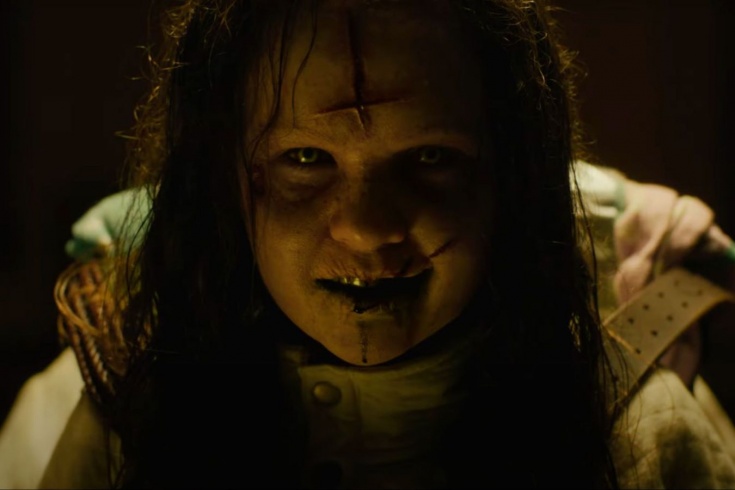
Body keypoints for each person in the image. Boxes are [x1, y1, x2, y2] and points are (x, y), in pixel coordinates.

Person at [2, 0, 735, 488]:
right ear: (222, 181)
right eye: (305, 159)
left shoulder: (641, 432)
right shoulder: (117, 414)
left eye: (429, 158)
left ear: (512, 177)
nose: (366, 227)